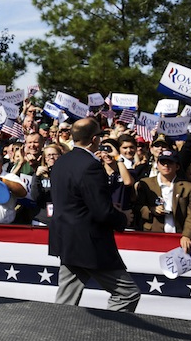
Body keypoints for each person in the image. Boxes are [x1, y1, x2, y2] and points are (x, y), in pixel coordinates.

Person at [48, 117, 140, 312]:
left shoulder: (61, 162)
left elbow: (77, 199)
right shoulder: (90, 166)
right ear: (94, 140)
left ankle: (54, 333)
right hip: (88, 243)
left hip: (66, 239)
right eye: (99, 135)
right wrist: (123, 217)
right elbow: (101, 211)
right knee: (127, 293)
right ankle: (109, 335)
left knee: (67, 297)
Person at [134, 149, 191, 252]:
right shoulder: (145, 184)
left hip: (179, 237)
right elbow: (137, 207)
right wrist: (151, 210)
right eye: (162, 162)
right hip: (152, 235)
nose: (166, 165)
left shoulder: (189, 188)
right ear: (157, 165)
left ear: (177, 166)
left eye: (170, 162)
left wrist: (187, 235)